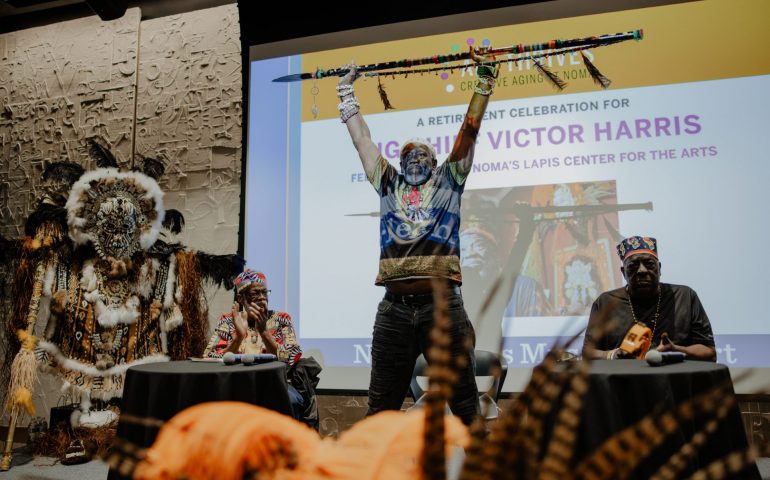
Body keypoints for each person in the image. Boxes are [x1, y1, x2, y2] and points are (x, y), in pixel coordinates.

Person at [337, 53, 498, 425]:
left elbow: (469, 131)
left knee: (465, 408)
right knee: (380, 410)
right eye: (407, 154)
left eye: (422, 154)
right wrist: (346, 92)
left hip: (442, 308)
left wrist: (484, 83)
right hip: (393, 310)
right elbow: (362, 140)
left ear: (435, 162)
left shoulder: (449, 180)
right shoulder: (387, 182)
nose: (414, 158)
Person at [582, 236, 716, 361]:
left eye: (649, 264)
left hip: (673, 376)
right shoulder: (606, 302)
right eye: (633, 266)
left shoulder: (684, 297)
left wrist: (675, 349)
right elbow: (588, 353)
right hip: (623, 377)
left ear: (659, 268)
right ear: (623, 272)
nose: (642, 270)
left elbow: (709, 352)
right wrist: (614, 354)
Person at [204, 269, 306, 419]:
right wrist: (238, 337)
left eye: (265, 292)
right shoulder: (228, 321)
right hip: (236, 384)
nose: (262, 297)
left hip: (274, 383)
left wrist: (265, 333)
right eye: (255, 293)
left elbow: (290, 359)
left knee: (291, 401)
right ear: (241, 298)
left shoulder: (281, 319)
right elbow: (210, 358)